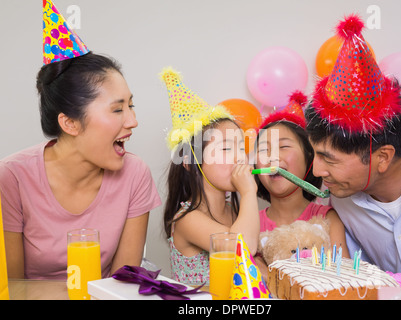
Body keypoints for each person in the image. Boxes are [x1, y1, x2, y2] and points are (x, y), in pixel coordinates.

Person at [0, 2, 161, 280]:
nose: (133, 121)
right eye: (117, 109)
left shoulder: (135, 174)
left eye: (131, 105)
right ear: (70, 123)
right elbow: (12, 288)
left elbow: (120, 285)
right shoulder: (11, 178)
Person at [304, 14, 401, 283]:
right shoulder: (340, 199)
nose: (317, 169)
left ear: (383, 157)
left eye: (329, 158)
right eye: (315, 153)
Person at [161, 68, 259, 285]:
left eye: (241, 148)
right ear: (188, 161)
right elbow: (244, 250)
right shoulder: (187, 218)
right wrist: (249, 191)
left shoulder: (233, 211)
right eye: (225, 149)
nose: (240, 156)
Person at [253, 92, 349, 277]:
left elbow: (342, 280)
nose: (272, 156)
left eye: (284, 146)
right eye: (264, 150)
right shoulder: (251, 223)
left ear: (309, 158)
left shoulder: (328, 219)